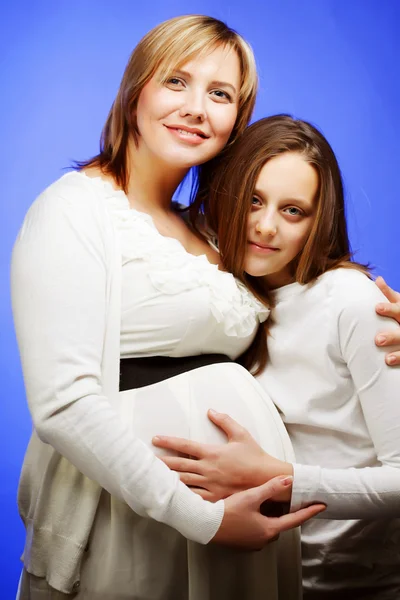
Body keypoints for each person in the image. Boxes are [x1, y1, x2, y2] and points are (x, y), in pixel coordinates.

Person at [11, 19, 328, 600]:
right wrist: (204, 519)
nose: (197, 108)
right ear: (137, 90)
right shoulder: (74, 211)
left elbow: (304, 322)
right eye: (177, 81)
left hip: (243, 522)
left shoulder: (213, 230)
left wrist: (375, 326)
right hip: (133, 522)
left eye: (221, 94)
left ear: (237, 118)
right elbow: (64, 405)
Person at [153, 115, 400, 599]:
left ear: (319, 220)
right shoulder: (222, 293)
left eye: (293, 211)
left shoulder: (353, 304)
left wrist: (281, 479)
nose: (265, 227)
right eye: (252, 200)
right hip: (257, 577)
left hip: (353, 585)